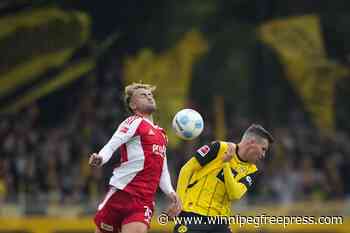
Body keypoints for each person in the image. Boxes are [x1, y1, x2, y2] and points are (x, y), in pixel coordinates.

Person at [89, 82, 181, 233]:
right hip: (122, 193)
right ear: (133, 105)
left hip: (143, 201)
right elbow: (112, 145)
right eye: (143, 95)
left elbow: (162, 169)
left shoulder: (162, 134)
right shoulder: (134, 122)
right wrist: (100, 158)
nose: (149, 97)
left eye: (150, 94)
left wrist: (171, 192)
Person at [174, 124, 274, 233]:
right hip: (193, 215)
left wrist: (226, 164)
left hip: (220, 221)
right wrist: (178, 202)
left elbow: (234, 194)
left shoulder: (252, 170)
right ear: (252, 142)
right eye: (263, 149)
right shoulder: (218, 148)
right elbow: (186, 169)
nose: (263, 155)